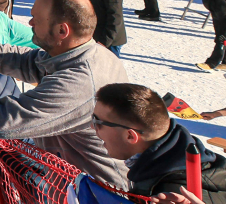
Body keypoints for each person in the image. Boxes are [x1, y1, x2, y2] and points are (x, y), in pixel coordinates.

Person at [0, 0, 130, 188]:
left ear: (62, 30)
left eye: (37, 19)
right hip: (77, 186)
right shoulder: (83, 53)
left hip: (97, 192)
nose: (30, 23)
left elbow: (1, 122)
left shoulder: (78, 83)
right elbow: (33, 62)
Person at [90, 83, 226, 202]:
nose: (92, 126)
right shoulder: (180, 151)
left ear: (130, 136)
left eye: (97, 122)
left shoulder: (169, 195)